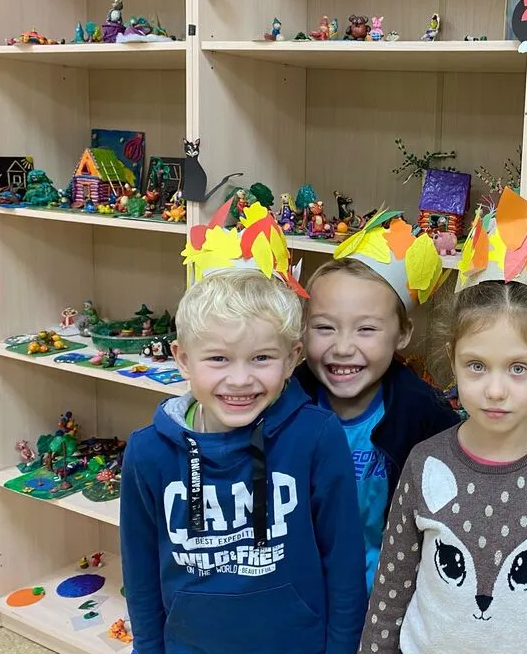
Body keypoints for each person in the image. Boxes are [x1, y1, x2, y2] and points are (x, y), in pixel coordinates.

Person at [359, 191, 527, 654]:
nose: (495, 390)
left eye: (518, 368)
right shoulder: (424, 462)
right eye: (476, 366)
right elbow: (391, 590)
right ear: (452, 359)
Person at [121, 202, 367, 654]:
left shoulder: (316, 437)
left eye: (261, 358)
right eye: (218, 358)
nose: (239, 380)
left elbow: (345, 563)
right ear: (183, 359)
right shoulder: (147, 453)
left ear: (291, 359)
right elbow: (139, 575)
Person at [295, 211, 460, 591]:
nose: (342, 347)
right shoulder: (286, 403)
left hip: (386, 598)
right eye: (324, 327)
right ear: (303, 329)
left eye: (366, 329)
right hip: (302, 594)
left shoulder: (424, 416)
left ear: (402, 333)